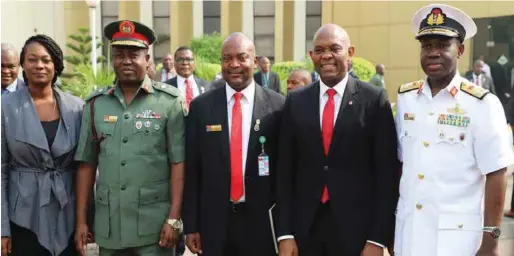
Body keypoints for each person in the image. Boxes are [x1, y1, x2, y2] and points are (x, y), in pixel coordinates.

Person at [394, 4, 514, 256]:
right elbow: (401, 163)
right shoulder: (407, 98)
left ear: (459, 50)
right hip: (409, 233)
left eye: (442, 45)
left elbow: (497, 172)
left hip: (456, 241)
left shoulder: (482, 104)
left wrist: (491, 241)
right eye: (427, 46)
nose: (433, 53)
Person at [276, 24, 399, 256]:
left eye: (335, 48)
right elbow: (285, 172)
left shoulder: (374, 100)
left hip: (357, 232)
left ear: (350, 53)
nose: (327, 56)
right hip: (305, 231)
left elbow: (386, 175)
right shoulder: (296, 102)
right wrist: (285, 233)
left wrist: (377, 238)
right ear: (311, 56)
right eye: (319, 50)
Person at [74, 20, 186, 256]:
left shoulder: (168, 102)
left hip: (154, 227)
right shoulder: (95, 104)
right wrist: (82, 220)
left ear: (147, 59)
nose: (126, 60)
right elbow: (86, 164)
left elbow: (178, 163)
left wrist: (174, 218)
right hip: (110, 226)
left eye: (134, 54)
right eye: (119, 54)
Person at [183, 32, 285, 256]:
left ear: (255, 62)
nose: (234, 64)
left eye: (242, 57)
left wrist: (286, 230)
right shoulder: (201, 107)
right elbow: (192, 169)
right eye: (227, 58)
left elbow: (286, 172)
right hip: (214, 224)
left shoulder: (278, 106)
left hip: (263, 224)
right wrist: (191, 225)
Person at [1, 35, 84, 256]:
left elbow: (85, 169)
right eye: (32, 59)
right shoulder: (4, 107)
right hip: (23, 216)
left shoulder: (77, 108)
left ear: (56, 65)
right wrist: (2, 230)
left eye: (46, 60)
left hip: (67, 213)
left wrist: (86, 220)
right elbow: (0, 171)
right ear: (22, 65)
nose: (39, 65)